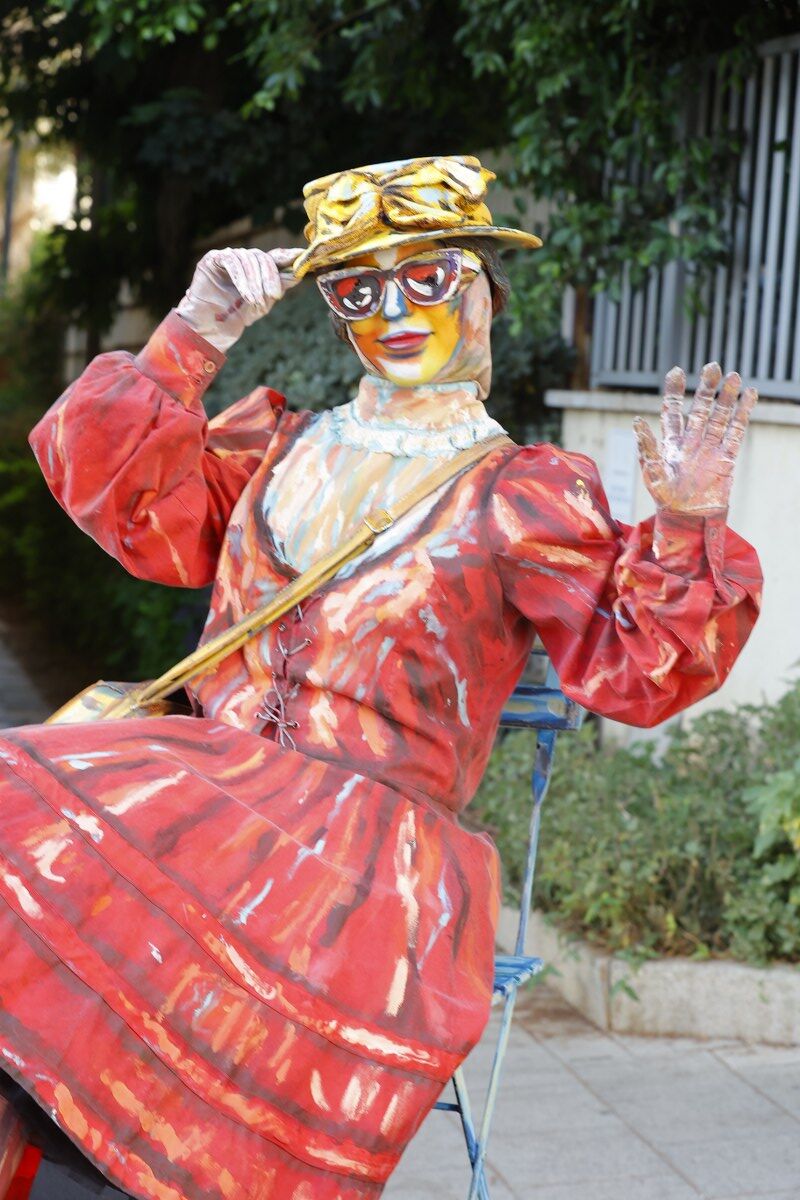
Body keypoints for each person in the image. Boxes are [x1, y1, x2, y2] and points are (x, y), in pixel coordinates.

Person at [0, 156, 760, 1200]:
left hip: (358, 871)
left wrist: (683, 522)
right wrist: (195, 330)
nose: (394, 311)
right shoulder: (281, 446)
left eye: (427, 278)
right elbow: (116, 490)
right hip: (196, 801)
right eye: (358, 290)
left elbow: (642, 670)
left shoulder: (523, 494)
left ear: (483, 293)